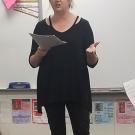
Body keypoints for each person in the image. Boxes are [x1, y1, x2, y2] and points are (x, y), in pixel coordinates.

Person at [29, 0, 99, 135]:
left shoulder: (83, 25)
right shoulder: (41, 27)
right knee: (57, 132)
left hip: (78, 88)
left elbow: (92, 63)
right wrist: (40, 52)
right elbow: (33, 62)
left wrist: (91, 54)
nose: (57, 0)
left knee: (82, 131)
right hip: (51, 88)